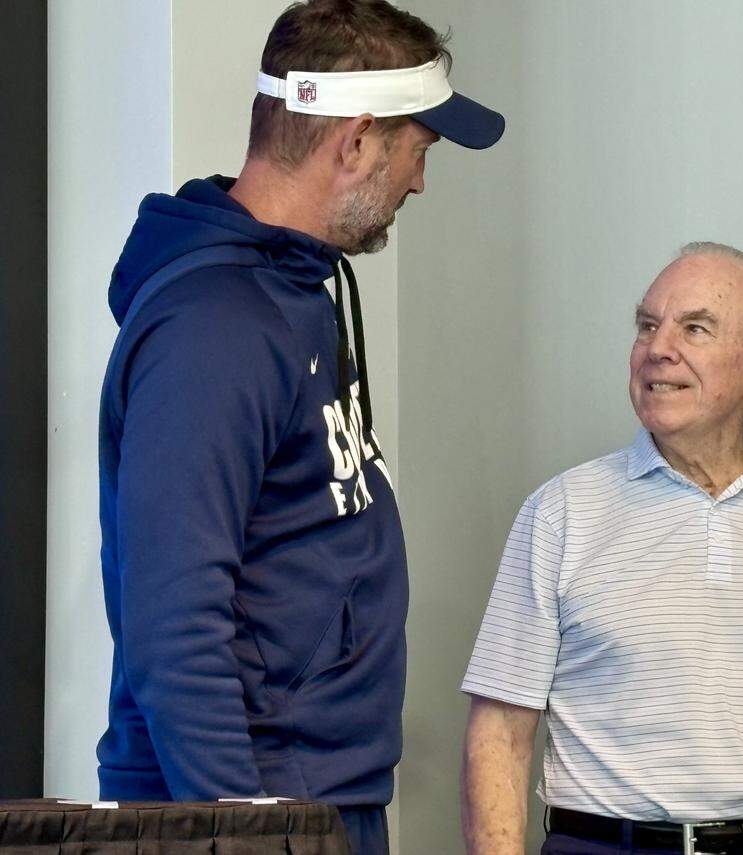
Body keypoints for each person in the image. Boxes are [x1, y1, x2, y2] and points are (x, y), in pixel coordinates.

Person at [95, 2, 503, 852]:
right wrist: (244, 832)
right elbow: (175, 618)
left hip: (314, 795)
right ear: (354, 142)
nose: (419, 182)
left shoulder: (292, 295)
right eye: (416, 150)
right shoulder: (216, 328)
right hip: (247, 809)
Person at [461, 242, 743, 855]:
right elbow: (500, 735)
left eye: (694, 327)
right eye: (648, 325)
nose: (656, 347)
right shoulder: (561, 511)